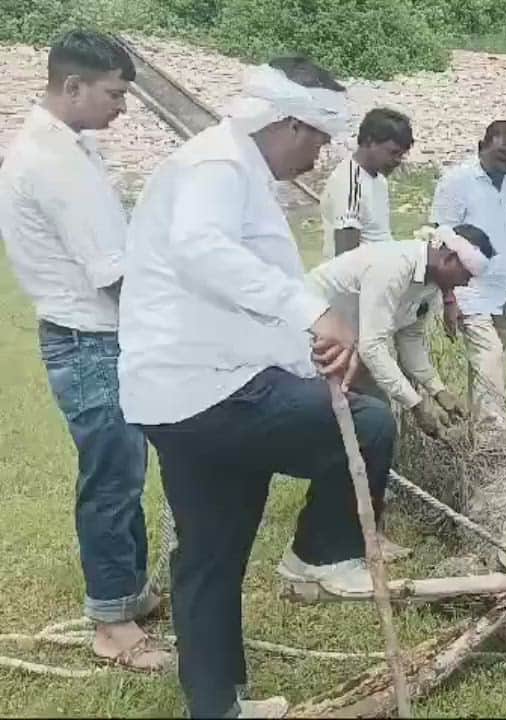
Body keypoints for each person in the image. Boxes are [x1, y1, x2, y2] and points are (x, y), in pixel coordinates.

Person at [119, 57, 388, 718]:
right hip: (211, 392)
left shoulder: (233, 167)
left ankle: (218, 706)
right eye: (319, 140)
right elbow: (203, 251)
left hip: (188, 393)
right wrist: (315, 315)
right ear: (292, 122)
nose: (320, 154)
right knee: (372, 424)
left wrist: (307, 353)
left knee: (211, 554)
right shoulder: (217, 165)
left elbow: (242, 299)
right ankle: (321, 555)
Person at [0, 30, 171, 673]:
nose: (122, 107)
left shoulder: (72, 148)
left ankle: (127, 591)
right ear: (72, 86)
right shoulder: (53, 163)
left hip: (101, 336)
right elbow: (115, 272)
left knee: (125, 471)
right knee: (111, 478)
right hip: (89, 339)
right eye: (114, 93)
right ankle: (110, 621)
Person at [303, 224, 494, 560]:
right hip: (311, 333)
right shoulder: (394, 266)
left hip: (351, 340)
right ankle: (354, 534)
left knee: (376, 424)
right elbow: (375, 345)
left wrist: (439, 392)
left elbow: (411, 343)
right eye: (465, 275)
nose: (464, 284)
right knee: (371, 422)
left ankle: (367, 528)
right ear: (448, 256)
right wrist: (416, 405)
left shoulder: (431, 288)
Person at [432, 121, 506, 432]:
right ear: (481, 147)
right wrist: (448, 297)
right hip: (468, 292)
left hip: (505, 295)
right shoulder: (456, 182)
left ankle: (478, 440)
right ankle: (494, 440)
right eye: (501, 154)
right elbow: (439, 240)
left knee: (486, 370)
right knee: (490, 361)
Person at [320, 107, 414, 258]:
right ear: (370, 142)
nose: (397, 161)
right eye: (393, 153)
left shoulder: (378, 178)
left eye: (401, 155)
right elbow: (346, 257)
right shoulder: (350, 185)